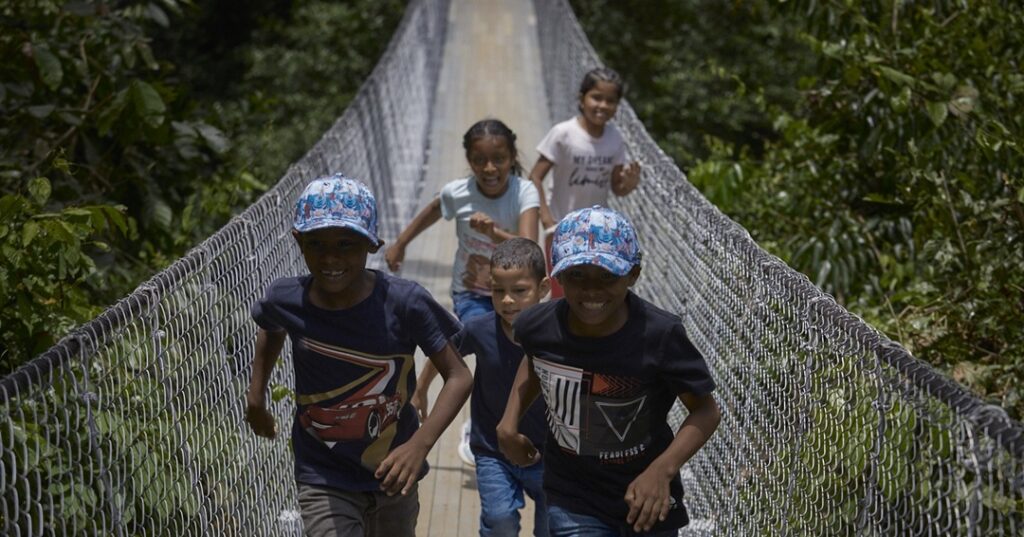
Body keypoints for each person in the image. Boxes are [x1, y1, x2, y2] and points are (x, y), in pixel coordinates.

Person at [245, 173, 473, 537]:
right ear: (298, 241)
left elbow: (459, 376)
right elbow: (270, 327)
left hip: (394, 470)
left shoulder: (404, 303)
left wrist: (419, 445)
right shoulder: (286, 299)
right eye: (316, 243)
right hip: (322, 473)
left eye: (346, 244)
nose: (330, 257)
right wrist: (256, 397)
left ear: (372, 245)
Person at [497, 206, 721, 536]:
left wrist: (662, 470)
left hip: (646, 498)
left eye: (607, 276)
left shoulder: (659, 336)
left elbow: (706, 411)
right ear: (558, 276)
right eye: (577, 276)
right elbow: (535, 362)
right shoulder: (536, 326)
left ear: (633, 275)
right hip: (572, 494)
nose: (591, 290)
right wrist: (508, 422)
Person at [412, 238, 551, 537]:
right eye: (498, 291)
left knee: (551, 527)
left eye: (519, 291)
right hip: (492, 449)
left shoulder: (556, 334)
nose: (508, 301)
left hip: (549, 452)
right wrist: (421, 389)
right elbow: (444, 354)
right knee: (499, 519)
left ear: (543, 289)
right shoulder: (480, 329)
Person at [386, 118, 540, 322]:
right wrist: (400, 244)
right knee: (485, 342)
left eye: (499, 159)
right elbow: (432, 210)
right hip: (471, 293)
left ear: (512, 158)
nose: (489, 168)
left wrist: (493, 233)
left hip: (515, 293)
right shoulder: (456, 193)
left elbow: (528, 249)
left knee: (513, 346)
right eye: (479, 160)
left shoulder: (524, 192)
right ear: (469, 160)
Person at [528, 67, 642, 298]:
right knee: (562, 291)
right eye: (596, 97)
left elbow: (616, 187)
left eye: (610, 100)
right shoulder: (563, 133)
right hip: (561, 228)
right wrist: (546, 217)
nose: (602, 105)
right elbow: (535, 176)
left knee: (590, 290)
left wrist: (629, 184)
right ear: (582, 99)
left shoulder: (615, 139)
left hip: (597, 232)